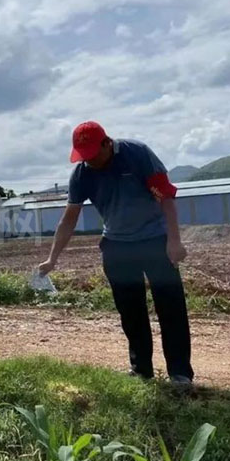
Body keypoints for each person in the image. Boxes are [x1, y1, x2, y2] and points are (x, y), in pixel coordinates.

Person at [38, 121, 194, 387]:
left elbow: (166, 197)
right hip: (117, 246)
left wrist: (174, 241)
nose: (90, 162)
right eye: (83, 157)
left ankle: (180, 374)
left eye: (93, 155)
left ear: (107, 143)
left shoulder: (138, 155)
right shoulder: (82, 174)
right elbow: (69, 219)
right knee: (130, 312)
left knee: (171, 308)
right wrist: (53, 258)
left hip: (155, 241)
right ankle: (141, 369)